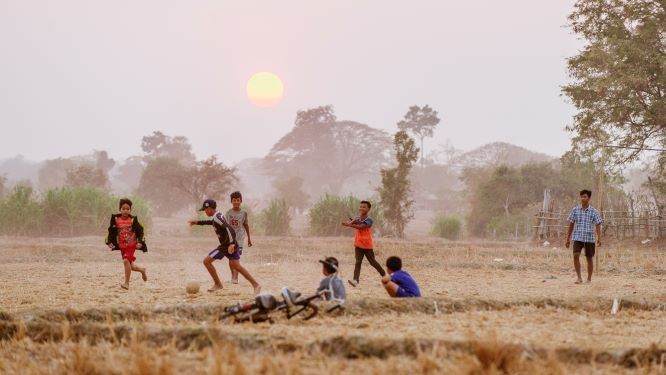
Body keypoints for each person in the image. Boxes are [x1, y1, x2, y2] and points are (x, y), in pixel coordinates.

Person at [189, 199, 261, 294]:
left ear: (210, 209)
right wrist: (198, 222)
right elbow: (212, 222)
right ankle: (256, 285)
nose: (205, 212)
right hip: (232, 243)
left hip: (226, 245)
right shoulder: (216, 216)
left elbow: (228, 229)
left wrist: (231, 244)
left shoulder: (218, 217)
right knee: (237, 266)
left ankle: (218, 284)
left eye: (205, 210)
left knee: (206, 261)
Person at [105, 198, 148, 290]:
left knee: (125, 261)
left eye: (127, 209)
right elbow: (110, 232)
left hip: (131, 245)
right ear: (120, 209)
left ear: (130, 210)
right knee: (130, 265)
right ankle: (142, 270)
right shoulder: (116, 220)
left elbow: (141, 231)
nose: (125, 210)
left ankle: (126, 283)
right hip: (122, 246)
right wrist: (109, 242)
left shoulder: (133, 220)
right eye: (123, 208)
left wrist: (140, 242)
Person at [342, 200, 385, 287]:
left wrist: (349, 225)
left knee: (372, 262)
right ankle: (355, 280)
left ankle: (385, 276)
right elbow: (353, 222)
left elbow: (361, 227)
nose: (361, 208)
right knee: (358, 262)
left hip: (367, 245)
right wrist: (349, 223)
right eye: (361, 206)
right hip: (358, 244)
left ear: (368, 209)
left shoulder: (369, 220)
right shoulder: (357, 218)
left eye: (364, 207)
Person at [565, 189, 602, 284]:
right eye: (581, 196)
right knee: (575, 255)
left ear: (589, 198)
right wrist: (568, 238)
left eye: (585, 196)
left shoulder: (593, 211)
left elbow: (598, 224)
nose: (582, 198)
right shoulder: (575, 210)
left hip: (589, 238)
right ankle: (579, 278)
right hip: (577, 236)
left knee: (589, 258)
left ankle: (589, 279)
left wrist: (599, 238)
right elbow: (571, 224)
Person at [225, 191, 252, 284]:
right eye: (234, 200)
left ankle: (235, 277)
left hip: (239, 239)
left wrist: (249, 238)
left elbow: (246, 225)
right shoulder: (228, 213)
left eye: (238, 200)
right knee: (231, 259)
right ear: (231, 201)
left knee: (236, 258)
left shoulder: (244, 213)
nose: (236, 202)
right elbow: (226, 227)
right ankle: (233, 274)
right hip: (230, 239)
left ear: (241, 201)